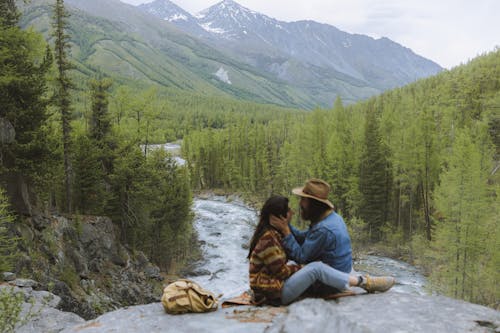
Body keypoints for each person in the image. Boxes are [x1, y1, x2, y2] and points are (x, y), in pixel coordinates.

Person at [270, 178, 395, 304]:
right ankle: (361, 281)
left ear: (313, 203)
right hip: (340, 273)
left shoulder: (323, 229)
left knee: (313, 268)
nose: (300, 203)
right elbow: (305, 238)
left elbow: (301, 256)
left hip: (330, 283)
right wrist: (286, 225)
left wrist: (286, 231)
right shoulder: (331, 218)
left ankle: (364, 282)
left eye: (303, 200)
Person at [248, 195, 300, 305]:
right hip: (269, 290)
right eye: (289, 210)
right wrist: (302, 267)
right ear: (281, 216)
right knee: (314, 270)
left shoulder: (274, 234)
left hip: (271, 286)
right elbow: (282, 272)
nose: (292, 213)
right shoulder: (268, 239)